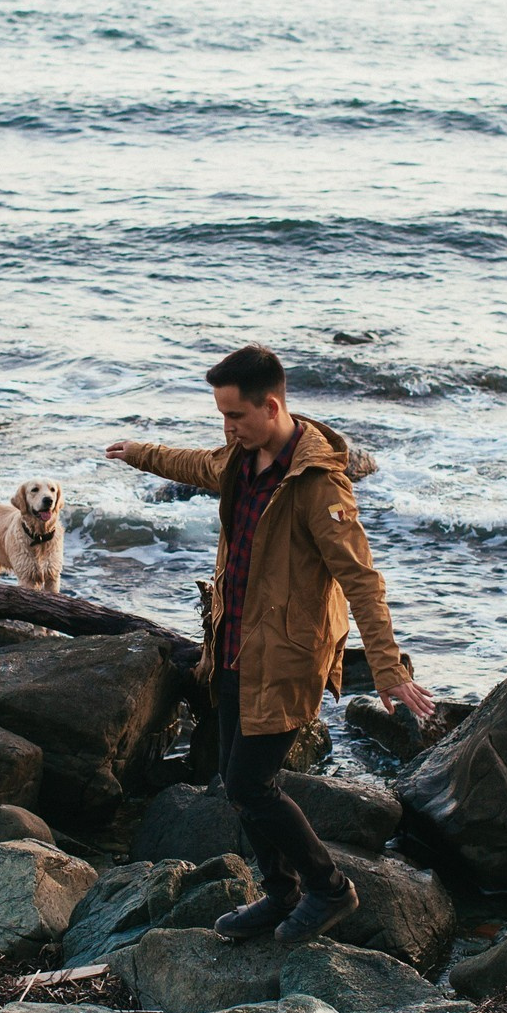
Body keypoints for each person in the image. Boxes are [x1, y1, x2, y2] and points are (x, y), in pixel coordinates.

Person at [106, 343, 436, 943]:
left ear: (272, 406)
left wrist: (387, 668)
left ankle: (329, 888)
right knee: (241, 786)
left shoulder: (318, 487)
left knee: (251, 785)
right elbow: (197, 465)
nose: (226, 429)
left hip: (286, 657)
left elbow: (361, 578)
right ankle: (281, 893)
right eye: (221, 417)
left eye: (234, 416)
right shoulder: (240, 457)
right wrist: (140, 454)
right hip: (232, 645)